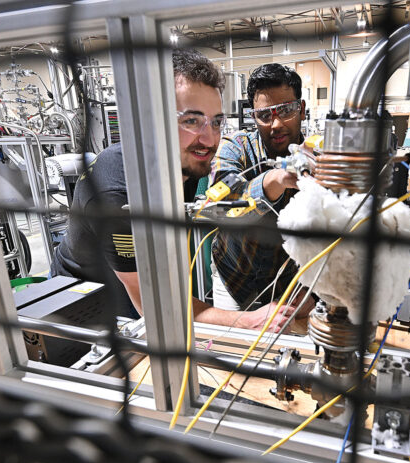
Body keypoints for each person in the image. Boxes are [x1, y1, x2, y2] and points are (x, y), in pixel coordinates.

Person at [50, 49, 296, 331]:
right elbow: (154, 305)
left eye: (216, 122)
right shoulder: (118, 189)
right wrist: (248, 319)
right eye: (191, 120)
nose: (209, 138)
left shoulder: (186, 165)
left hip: (136, 293)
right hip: (83, 305)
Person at [209, 63, 311, 315]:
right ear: (254, 116)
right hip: (232, 274)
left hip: (290, 281)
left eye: (286, 110)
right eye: (265, 115)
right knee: (231, 344)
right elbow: (222, 209)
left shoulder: (318, 156)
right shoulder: (236, 147)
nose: (275, 124)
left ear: (302, 109)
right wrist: (273, 181)